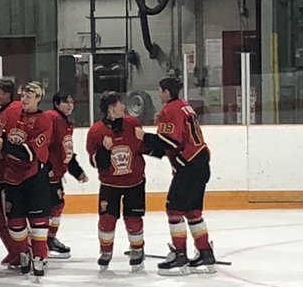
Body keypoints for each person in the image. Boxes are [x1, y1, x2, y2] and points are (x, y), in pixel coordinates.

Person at [143, 77, 215, 273]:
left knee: (174, 210)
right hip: (200, 163)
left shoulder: (170, 109)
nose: (159, 95)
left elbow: (170, 143)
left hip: (189, 165)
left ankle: (180, 254)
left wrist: (142, 138)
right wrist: (147, 147)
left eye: (160, 91)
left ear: (166, 92)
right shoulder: (185, 106)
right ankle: (205, 253)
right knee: (193, 211)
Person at [0, 81, 54, 276]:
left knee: (38, 221)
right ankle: (23, 253)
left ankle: (40, 257)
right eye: (23, 95)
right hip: (12, 177)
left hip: (34, 177)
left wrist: (4, 144)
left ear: (38, 98)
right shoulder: (11, 114)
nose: (24, 99)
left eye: (29, 96)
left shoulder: (44, 121)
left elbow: (30, 154)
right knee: (15, 221)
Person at [84, 92, 147, 270]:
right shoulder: (96, 131)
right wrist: (105, 150)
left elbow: (143, 148)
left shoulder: (133, 124)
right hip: (109, 184)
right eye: (120, 104)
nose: (124, 107)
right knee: (107, 220)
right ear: (112, 108)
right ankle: (106, 251)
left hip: (134, 182)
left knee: (133, 219)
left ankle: (137, 250)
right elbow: (97, 164)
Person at [45, 92, 89, 258]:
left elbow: (66, 151)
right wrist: (45, 167)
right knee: (46, 207)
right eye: (65, 102)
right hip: (46, 173)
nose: (70, 105)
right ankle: (42, 240)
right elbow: (44, 145)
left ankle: (49, 239)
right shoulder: (52, 118)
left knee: (56, 206)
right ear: (56, 104)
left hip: (56, 173)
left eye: (71, 101)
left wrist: (76, 171)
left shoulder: (66, 123)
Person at [0, 77, 23, 265]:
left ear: (7, 93)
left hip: (12, 176)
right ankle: (18, 252)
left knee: (6, 217)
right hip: (9, 175)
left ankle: (20, 253)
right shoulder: (8, 111)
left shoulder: (11, 112)